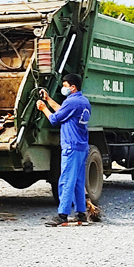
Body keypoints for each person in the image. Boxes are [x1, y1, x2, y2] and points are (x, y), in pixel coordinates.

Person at [36, 74, 92, 226]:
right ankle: (81, 214)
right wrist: (48, 99)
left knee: (66, 181)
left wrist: (43, 108)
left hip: (71, 148)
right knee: (78, 182)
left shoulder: (71, 102)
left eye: (65, 85)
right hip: (82, 147)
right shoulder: (83, 102)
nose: (64, 88)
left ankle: (62, 216)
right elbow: (63, 111)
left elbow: (55, 119)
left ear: (72, 87)